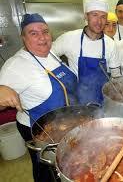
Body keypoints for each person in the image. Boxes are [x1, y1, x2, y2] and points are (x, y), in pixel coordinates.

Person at [0, 13, 77, 182]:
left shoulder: (51, 53)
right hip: (38, 128)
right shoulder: (15, 66)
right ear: (23, 38)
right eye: (33, 33)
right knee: (45, 171)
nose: (42, 37)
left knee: (66, 166)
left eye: (45, 31)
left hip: (63, 122)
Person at [51, 0, 120, 106]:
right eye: (95, 15)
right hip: (76, 104)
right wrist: (63, 72)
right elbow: (47, 54)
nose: (99, 21)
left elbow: (116, 77)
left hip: (103, 103)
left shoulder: (110, 44)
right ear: (86, 16)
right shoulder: (69, 38)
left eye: (103, 17)